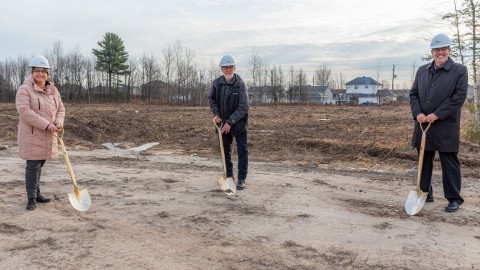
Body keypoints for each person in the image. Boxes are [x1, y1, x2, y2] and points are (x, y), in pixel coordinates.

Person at [409, 34, 468, 212]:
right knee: (424, 159)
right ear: (432, 52)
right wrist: (418, 113)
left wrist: (437, 114)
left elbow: (458, 97)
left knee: (449, 160)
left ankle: (454, 198)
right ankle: (424, 192)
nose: (440, 52)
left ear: (449, 50)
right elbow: (413, 95)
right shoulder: (422, 70)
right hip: (423, 124)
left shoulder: (459, 70)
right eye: (436, 49)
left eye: (443, 49)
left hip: (445, 124)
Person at [16, 55, 65, 210]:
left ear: (48, 74)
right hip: (32, 134)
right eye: (37, 71)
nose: (40, 74)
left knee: (40, 164)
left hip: (48, 133)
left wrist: (58, 122)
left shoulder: (53, 90)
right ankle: (31, 199)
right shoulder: (25, 89)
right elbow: (25, 111)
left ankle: (37, 194)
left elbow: (61, 109)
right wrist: (47, 125)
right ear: (32, 72)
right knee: (32, 165)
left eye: (44, 71)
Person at [208, 55, 250, 190]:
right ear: (221, 69)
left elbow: (244, 106)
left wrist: (230, 122)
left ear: (235, 68)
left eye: (230, 67)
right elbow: (212, 100)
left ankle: (241, 179)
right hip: (222, 124)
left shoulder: (240, 84)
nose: (228, 70)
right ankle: (229, 176)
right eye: (225, 68)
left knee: (242, 150)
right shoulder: (216, 84)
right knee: (224, 151)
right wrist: (216, 114)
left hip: (238, 124)